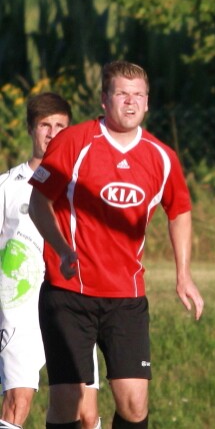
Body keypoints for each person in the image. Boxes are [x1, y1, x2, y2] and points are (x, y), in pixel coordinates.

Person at [27, 61, 204, 429]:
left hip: (126, 297)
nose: (130, 101)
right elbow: (38, 203)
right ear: (104, 99)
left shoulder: (161, 156)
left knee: (135, 404)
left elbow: (179, 211)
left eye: (138, 95)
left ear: (148, 102)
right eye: (122, 93)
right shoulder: (73, 142)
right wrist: (62, 248)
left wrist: (184, 275)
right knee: (69, 402)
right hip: (69, 293)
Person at [0, 92, 103, 429]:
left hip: (72, 304)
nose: (53, 133)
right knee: (17, 402)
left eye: (61, 126)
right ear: (31, 129)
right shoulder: (7, 187)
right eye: (45, 125)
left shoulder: (81, 187)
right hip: (20, 308)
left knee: (86, 411)